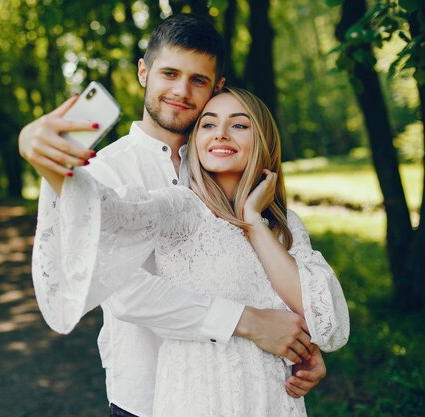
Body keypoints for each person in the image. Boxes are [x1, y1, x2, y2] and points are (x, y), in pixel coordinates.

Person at [19, 13, 327, 417]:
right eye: (169, 73)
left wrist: (301, 348)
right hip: (146, 396)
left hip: (250, 393)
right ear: (144, 72)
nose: (181, 91)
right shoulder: (104, 170)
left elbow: (263, 274)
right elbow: (126, 293)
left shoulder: (227, 165)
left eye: (198, 80)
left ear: (217, 86)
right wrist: (250, 322)